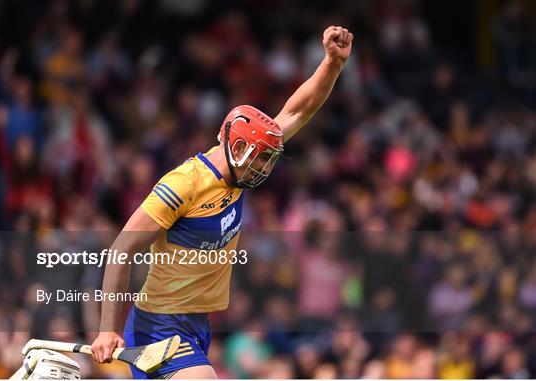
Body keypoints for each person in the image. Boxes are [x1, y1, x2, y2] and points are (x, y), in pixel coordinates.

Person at [91, 26, 353, 379]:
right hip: (161, 325)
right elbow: (122, 248)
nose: (265, 167)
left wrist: (332, 64)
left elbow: (298, 112)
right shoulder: (184, 184)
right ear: (239, 148)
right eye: (261, 159)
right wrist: (109, 328)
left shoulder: (240, 165)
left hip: (196, 324)